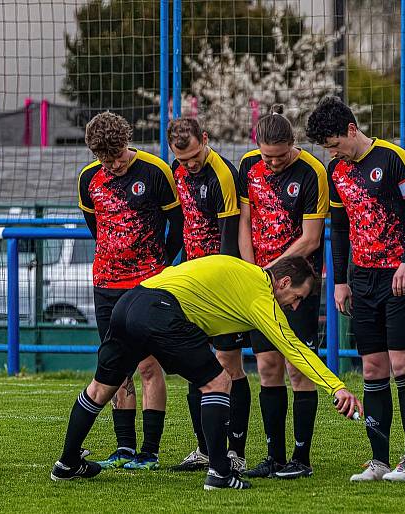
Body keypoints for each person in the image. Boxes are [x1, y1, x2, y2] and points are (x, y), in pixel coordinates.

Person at [49, 255, 363, 492]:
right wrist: (337, 387)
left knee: (100, 389)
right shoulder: (259, 291)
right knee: (219, 380)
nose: (296, 306)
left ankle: (66, 463)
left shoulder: (243, 273)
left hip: (130, 302)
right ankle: (220, 473)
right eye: (298, 296)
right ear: (282, 282)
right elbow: (293, 347)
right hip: (160, 309)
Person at [306, 97, 405, 482]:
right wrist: (340, 280)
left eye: (334, 144)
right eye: (326, 149)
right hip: (362, 279)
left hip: (399, 276)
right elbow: (340, 227)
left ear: (351, 129)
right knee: (373, 368)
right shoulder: (335, 171)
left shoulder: (394, 158)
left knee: (402, 365)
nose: (332, 152)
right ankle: (379, 460)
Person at [77, 111, 183, 471]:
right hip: (106, 283)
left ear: (127, 142)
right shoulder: (88, 180)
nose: (117, 164)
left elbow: (177, 225)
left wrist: (160, 265)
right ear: (96, 156)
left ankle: (149, 451)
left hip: (147, 283)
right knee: (116, 367)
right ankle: (124, 447)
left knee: (150, 365)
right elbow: (96, 226)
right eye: (108, 160)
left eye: (120, 155)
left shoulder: (155, 171)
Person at [238, 105, 328, 480]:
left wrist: (272, 271)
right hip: (261, 284)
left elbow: (311, 238)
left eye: (280, 157)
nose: (272, 164)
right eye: (266, 157)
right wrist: (251, 271)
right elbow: (245, 221)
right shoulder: (248, 166)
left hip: (296, 286)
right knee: (267, 366)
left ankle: (301, 458)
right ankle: (274, 456)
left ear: (294, 145)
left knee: (298, 367)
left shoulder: (313, 172)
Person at [164, 117, 250, 474]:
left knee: (229, 365)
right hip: (191, 282)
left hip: (219, 285)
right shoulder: (177, 170)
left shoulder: (223, 175)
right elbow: (179, 225)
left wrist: (224, 289)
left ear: (205, 139)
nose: (189, 164)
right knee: (194, 365)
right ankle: (202, 448)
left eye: (194, 156)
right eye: (182, 159)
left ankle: (236, 452)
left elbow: (229, 238)